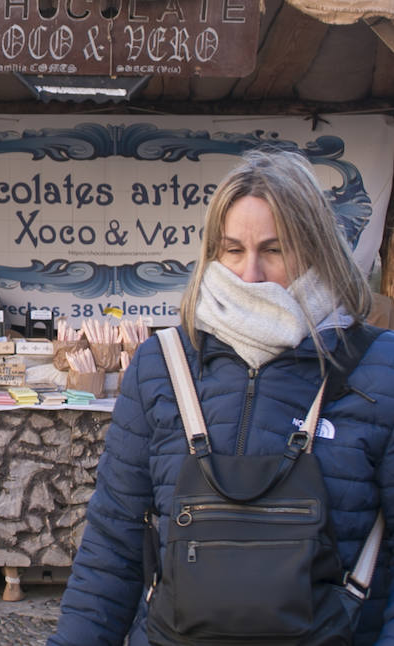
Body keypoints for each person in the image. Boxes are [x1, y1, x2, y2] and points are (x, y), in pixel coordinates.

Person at [51, 149, 394, 645]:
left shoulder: (379, 368)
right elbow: (112, 547)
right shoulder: (160, 366)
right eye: (233, 250)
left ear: (317, 248)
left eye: (273, 250)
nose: (248, 274)